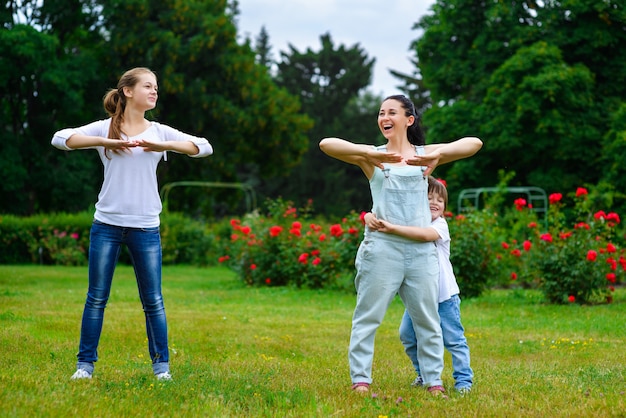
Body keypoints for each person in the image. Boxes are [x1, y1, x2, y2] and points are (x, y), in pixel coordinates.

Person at [51, 67, 213, 381]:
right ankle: (85, 367)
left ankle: (161, 368)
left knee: (153, 300)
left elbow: (204, 146)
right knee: (96, 297)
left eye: (156, 87)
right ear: (128, 91)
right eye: (148, 86)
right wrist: (104, 141)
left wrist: (164, 147)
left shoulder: (159, 131)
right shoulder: (104, 128)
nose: (155, 92)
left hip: (146, 227)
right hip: (107, 225)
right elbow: (60, 138)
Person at [319, 94, 482, 396]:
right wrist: (371, 155)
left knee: (428, 321)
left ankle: (434, 382)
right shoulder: (373, 157)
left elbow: (474, 143)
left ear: (409, 120)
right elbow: (327, 144)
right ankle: (361, 381)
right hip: (381, 249)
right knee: (368, 316)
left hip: (420, 253)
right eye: (381, 113)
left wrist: (436, 156)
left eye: (392, 112)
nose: (384, 118)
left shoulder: (424, 153)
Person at [364, 176, 474, 394]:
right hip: (419, 298)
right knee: (408, 335)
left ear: (444, 208)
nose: (435, 203)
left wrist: (393, 228)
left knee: (453, 340)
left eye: (440, 200)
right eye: (429, 198)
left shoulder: (439, 225)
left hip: (444, 297)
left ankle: (464, 381)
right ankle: (424, 373)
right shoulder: (411, 222)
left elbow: (424, 235)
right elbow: (380, 212)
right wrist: (369, 216)